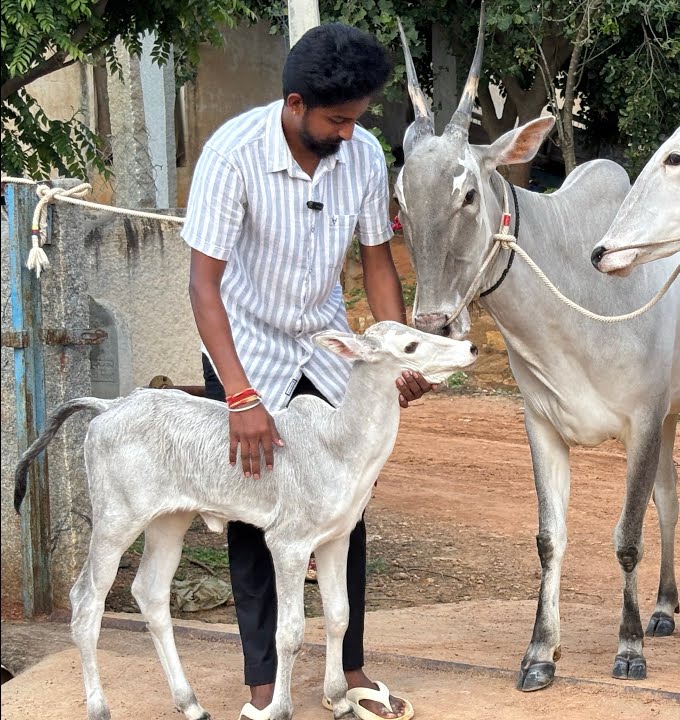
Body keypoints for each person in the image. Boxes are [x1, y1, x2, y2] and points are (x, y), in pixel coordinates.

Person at [182, 23, 429, 720]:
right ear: (295, 105)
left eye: (357, 119)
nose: (351, 134)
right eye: (338, 119)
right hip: (245, 345)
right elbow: (204, 287)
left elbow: (377, 259)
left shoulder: (363, 156)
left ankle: (347, 674)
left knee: (346, 501)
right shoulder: (231, 157)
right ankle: (265, 685)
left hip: (324, 342)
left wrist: (394, 350)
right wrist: (239, 394)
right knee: (254, 509)